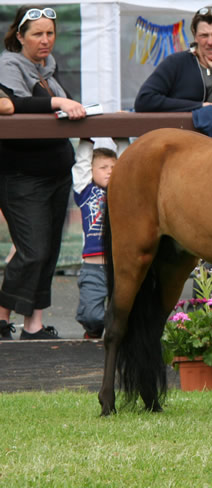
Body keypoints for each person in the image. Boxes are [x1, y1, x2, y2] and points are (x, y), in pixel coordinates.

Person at [0, 6, 87, 340]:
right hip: (22, 173)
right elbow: (15, 106)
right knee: (32, 250)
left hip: (56, 171)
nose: (45, 40)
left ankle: (33, 323)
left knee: (48, 251)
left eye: (50, 33)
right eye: (37, 33)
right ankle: (2, 314)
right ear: (20, 36)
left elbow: (63, 110)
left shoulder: (48, 69)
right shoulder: (9, 65)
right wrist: (59, 104)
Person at [134, 6, 212, 122]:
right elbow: (144, 100)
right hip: (183, 144)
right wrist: (199, 107)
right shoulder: (176, 63)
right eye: (204, 35)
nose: (210, 42)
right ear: (195, 36)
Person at [72, 138, 126, 339]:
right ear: (92, 171)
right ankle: (94, 331)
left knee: (124, 313)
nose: (110, 171)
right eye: (103, 167)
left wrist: (121, 139)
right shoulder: (85, 192)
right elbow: (82, 166)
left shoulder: (124, 192)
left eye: (113, 166)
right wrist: (86, 140)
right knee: (91, 316)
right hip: (93, 267)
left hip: (118, 266)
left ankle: (116, 336)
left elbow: (128, 164)